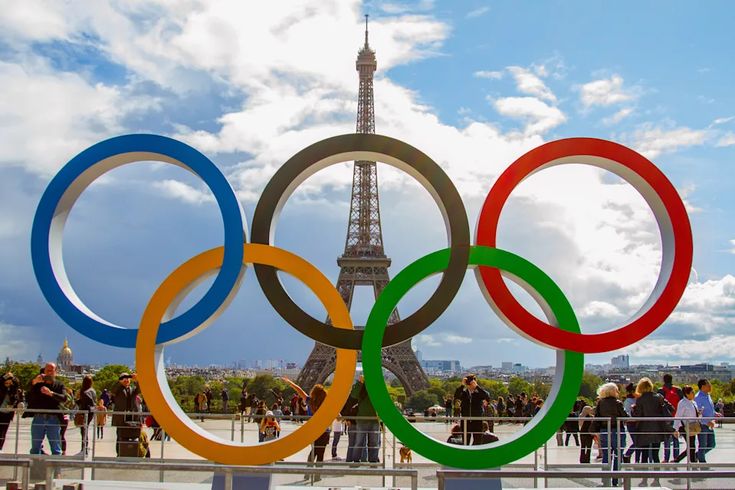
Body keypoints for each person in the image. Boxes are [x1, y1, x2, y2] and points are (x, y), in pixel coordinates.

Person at [281, 376, 330, 481]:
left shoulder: (310, 402)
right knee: (320, 453)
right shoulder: (326, 404)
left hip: (313, 430)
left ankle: (307, 473)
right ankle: (317, 476)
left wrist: (290, 382)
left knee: (313, 452)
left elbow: (299, 390)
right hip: (325, 431)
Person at [632, 377, 673, 488]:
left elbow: (637, 416)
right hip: (657, 428)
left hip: (644, 429)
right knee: (655, 455)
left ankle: (644, 479)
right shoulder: (658, 397)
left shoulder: (640, 400)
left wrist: (633, 409)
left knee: (644, 456)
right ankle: (656, 479)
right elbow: (671, 408)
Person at [25, 363, 66, 455]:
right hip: (39, 417)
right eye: (47, 371)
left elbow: (64, 398)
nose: (49, 373)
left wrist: (51, 393)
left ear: (56, 372)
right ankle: (35, 468)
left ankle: (56, 467)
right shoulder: (38, 384)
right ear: (44, 371)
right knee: (35, 448)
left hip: (53, 419)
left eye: (52, 371)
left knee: (56, 448)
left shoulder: (59, 385)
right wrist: (34, 382)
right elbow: (27, 393)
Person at [592, 382, 626, 487]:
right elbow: (624, 416)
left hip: (604, 430)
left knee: (606, 456)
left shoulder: (600, 403)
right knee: (618, 455)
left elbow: (597, 417)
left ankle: (605, 478)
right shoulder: (618, 403)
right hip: (617, 430)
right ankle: (616, 479)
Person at [347, 375, 380, 463]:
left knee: (373, 442)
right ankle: (356, 460)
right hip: (363, 420)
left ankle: (372, 460)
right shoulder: (361, 387)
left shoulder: (376, 387)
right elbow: (353, 395)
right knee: (360, 442)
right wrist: (360, 383)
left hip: (373, 420)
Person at [453, 374, 490, 445]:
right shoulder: (464, 393)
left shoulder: (479, 393)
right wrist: (462, 386)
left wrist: (477, 387)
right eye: (468, 383)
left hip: (477, 420)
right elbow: (456, 396)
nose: (470, 385)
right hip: (465, 421)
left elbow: (487, 397)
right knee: (465, 442)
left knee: (478, 442)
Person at [111, 372, 141, 456]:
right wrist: (120, 382)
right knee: (120, 434)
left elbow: (139, 390)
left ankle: (129, 452)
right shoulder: (118, 389)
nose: (127, 380)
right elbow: (113, 391)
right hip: (121, 416)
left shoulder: (132, 389)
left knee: (132, 434)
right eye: (124, 378)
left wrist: (137, 380)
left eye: (128, 378)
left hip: (131, 416)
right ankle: (119, 452)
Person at [658, 373, 683, 462]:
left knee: (667, 440)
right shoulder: (678, 390)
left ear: (663, 380)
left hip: (666, 418)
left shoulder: (660, 391)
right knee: (676, 438)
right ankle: (676, 458)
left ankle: (666, 458)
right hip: (676, 417)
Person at [694, 378, 719, 466]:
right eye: (708, 385)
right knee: (703, 444)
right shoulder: (698, 398)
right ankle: (702, 463)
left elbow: (709, 408)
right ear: (703, 386)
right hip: (703, 424)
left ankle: (696, 456)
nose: (710, 386)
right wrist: (706, 421)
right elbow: (698, 413)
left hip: (710, 423)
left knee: (711, 444)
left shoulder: (707, 395)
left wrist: (715, 414)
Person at [674, 386, 700, 464]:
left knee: (692, 445)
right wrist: (676, 429)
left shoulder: (693, 402)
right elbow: (678, 415)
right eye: (692, 392)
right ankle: (693, 461)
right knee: (691, 445)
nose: (693, 394)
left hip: (693, 426)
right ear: (687, 394)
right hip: (685, 427)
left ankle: (679, 459)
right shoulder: (682, 403)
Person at [0, 372, 23, 450]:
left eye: (9, 383)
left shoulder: (15, 391)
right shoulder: (1, 388)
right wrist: (5, 376)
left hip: (6, 414)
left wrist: (12, 377)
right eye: (6, 382)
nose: (8, 384)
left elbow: (17, 383)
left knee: (2, 433)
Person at [75, 375, 96, 455]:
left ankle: (84, 448)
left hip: (85, 412)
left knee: (83, 430)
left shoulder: (85, 392)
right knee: (84, 430)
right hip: (91, 411)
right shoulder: (92, 390)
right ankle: (84, 448)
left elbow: (87, 401)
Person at [621, 382, 640, 464]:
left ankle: (635, 459)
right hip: (632, 424)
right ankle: (627, 455)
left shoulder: (636, 399)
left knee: (638, 443)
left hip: (637, 423)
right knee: (637, 442)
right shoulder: (628, 401)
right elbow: (627, 413)